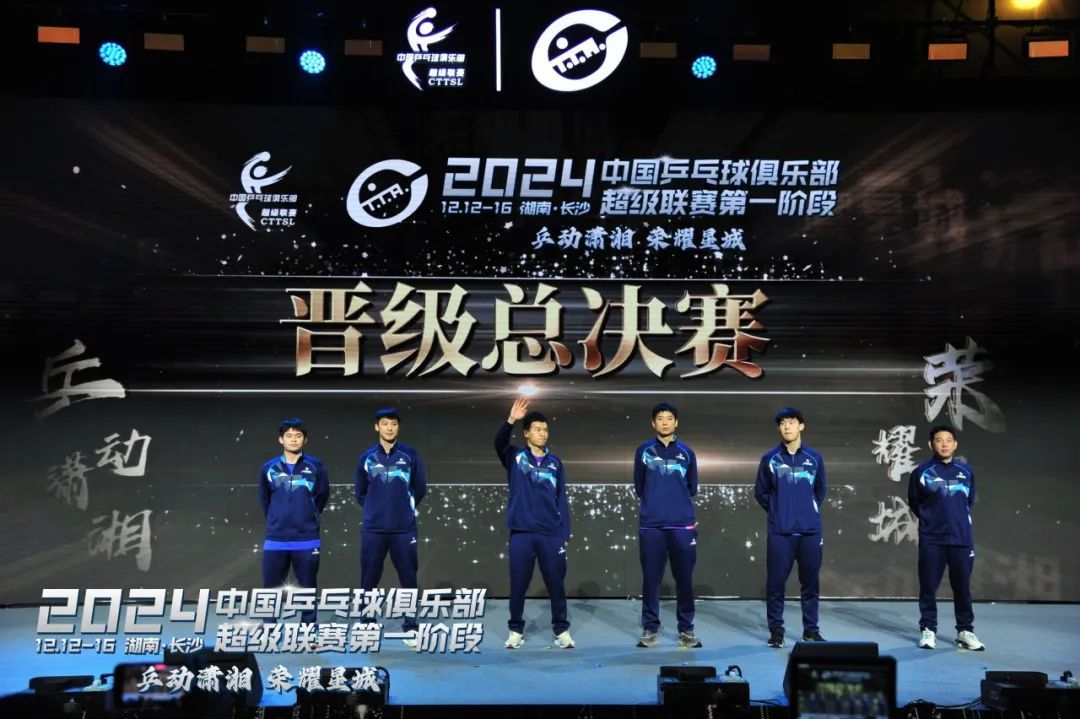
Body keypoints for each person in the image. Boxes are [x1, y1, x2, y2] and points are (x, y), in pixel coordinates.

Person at [495, 397, 574, 649]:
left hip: (551, 534)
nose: (542, 433)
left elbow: (561, 498)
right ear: (527, 433)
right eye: (537, 429)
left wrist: (565, 532)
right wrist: (511, 420)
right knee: (518, 585)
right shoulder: (515, 457)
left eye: (545, 429)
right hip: (522, 533)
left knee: (556, 585)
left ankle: (561, 630)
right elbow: (499, 442)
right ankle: (515, 630)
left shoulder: (556, 463)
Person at [754, 407, 828, 648]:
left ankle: (811, 631)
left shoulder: (815, 458)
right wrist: (778, 510)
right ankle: (776, 631)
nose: (787, 426)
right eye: (783, 423)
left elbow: (820, 491)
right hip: (780, 533)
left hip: (809, 532)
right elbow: (761, 492)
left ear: (801, 426)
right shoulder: (770, 459)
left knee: (810, 584)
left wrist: (806, 511)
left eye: (792, 422)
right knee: (776, 585)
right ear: (779, 428)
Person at [907, 424, 985, 651]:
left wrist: (957, 521)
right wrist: (931, 520)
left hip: (961, 539)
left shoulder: (966, 471)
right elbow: (915, 502)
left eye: (948, 440)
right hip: (932, 539)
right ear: (931, 444)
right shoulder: (921, 472)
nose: (944, 444)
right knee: (928, 587)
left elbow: (969, 501)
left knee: (963, 588)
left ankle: (965, 631)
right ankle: (928, 629)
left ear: (955, 444)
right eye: (939, 440)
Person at [356, 408, 427, 648]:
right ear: (377, 427)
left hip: (404, 529)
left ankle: (411, 625)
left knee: (408, 578)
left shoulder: (411, 455)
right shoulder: (366, 458)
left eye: (394, 423)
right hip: (373, 529)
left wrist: (403, 509)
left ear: (398, 427)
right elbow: (360, 493)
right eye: (385, 423)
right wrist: (375, 509)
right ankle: (367, 622)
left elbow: (420, 488)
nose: (389, 428)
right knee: (369, 578)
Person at [634, 402, 702, 649]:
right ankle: (650, 629)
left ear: (676, 422)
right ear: (653, 423)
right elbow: (639, 486)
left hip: (682, 526)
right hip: (651, 526)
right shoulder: (643, 451)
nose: (665, 422)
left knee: (684, 579)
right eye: (660, 418)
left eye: (669, 418)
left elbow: (692, 487)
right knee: (651, 579)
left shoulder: (687, 453)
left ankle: (686, 629)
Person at [259, 418, 330, 625]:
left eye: (298, 436)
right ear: (281, 439)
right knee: (270, 588)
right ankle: (269, 628)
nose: (293, 439)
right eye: (288, 436)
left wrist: (307, 516)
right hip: (276, 539)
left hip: (307, 538)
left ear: (305, 440)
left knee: (307, 588)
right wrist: (276, 519)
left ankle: (308, 627)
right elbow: (265, 499)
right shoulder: (269, 467)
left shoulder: (316, 466)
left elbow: (322, 496)